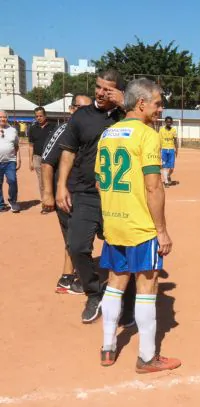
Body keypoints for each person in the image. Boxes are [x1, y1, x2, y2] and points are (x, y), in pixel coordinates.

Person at [96, 78, 180, 373]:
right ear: (141, 103)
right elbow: (154, 187)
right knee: (147, 287)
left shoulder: (108, 133)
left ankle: (108, 348)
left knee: (115, 284)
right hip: (140, 226)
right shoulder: (147, 135)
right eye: (157, 103)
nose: (161, 108)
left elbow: (98, 181)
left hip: (114, 225)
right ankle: (147, 357)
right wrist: (162, 230)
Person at [56, 70, 136, 324]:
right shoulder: (82, 115)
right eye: (99, 87)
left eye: (107, 89)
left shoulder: (129, 116)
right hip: (86, 192)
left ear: (119, 92)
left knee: (124, 250)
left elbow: (148, 134)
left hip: (118, 195)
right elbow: (68, 152)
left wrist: (125, 104)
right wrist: (61, 186)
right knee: (78, 245)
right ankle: (93, 292)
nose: (101, 93)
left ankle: (129, 301)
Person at [41, 94, 93, 294]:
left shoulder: (90, 129)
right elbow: (46, 162)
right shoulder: (64, 129)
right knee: (77, 237)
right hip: (67, 194)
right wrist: (48, 194)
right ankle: (81, 278)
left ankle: (66, 277)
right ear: (71, 109)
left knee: (72, 237)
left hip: (84, 192)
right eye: (81, 108)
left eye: (89, 109)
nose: (86, 113)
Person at [29, 106, 55, 211]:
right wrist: (30, 161)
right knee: (41, 181)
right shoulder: (32, 129)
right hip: (37, 157)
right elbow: (31, 145)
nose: (39, 118)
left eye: (40, 116)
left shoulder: (53, 127)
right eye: (36, 116)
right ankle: (45, 203)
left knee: (51, 179)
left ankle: (53, 200)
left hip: (50, 157)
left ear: (45, 116)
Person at [0, 110, 21, 213]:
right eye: (0, 117)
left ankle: (13, 202)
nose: (3, 119)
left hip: (10, 161)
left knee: (12, 181)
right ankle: (1, 204)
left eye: (4, 117)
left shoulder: (13, 130)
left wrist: (18, 158)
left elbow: (17, 145)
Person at [159, 116, 178, 187]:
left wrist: (177, 150)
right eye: (167, 122)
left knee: (172, 168)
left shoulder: (173, 130)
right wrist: (159, 150)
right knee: (164, 167)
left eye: (170, 122)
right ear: (165, 122)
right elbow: (159, 140)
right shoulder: (161, 130)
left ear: (172, 122)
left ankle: (168, 175)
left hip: (171, 150)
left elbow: (175, 140)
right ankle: (166, 182)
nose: (169, 123)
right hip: (163, 150)